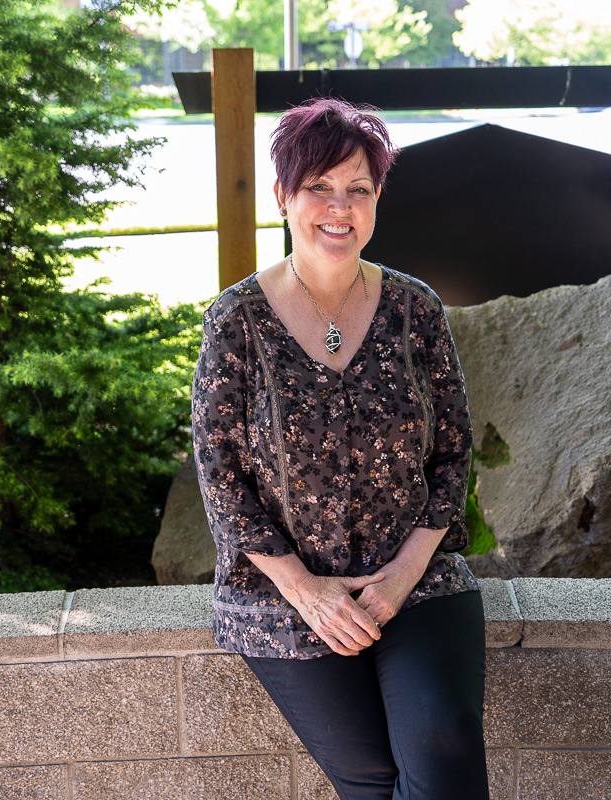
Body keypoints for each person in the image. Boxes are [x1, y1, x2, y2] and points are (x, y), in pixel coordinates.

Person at [191, 96, 489, 800]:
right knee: (373, 781)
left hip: (414, 581)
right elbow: (221, 475)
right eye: (318, 187)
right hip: (285, 596)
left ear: (377, 198)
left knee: (443, 748)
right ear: (283, 196)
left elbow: (453, 450)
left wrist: (402, 574)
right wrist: (308, 592)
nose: (338, 206)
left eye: (357, 189)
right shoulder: (237, 321)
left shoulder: (416, 309)